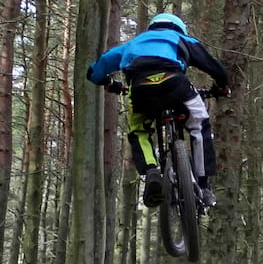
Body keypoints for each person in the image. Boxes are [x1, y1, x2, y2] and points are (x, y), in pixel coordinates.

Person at [86, 12, 231, 209]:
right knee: (199, 124)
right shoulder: (181, 39)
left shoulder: (132, 43)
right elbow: (217, 69)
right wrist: (221, 87)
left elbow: (94, 71)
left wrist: (109, 82)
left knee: (139, 132)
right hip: (174, 83)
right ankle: (204, 187)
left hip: (140, 88)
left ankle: (151, 170)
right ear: (179, 28)